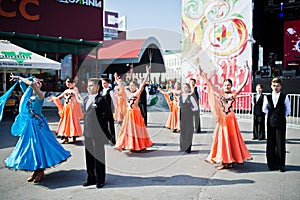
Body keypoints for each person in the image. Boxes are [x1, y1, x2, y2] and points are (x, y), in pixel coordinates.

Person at [0, 74, 71, 183]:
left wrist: (21, 78)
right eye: (36, 81)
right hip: (29, 126)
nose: (37, 83)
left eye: (39, 83)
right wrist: (17, 78)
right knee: (30, 148)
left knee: (39, 147)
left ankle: (40, 171)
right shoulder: (28, 95)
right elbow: (25, 85)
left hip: (38, 126)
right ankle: (35, 170)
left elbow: (31, 84)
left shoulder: (40, 95)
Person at [199, 63, 252, 169]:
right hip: (223, 120)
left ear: (231, 86)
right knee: (223, 140)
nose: (227, 86)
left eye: (228, 85)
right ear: (223, 86)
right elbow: (210, 84)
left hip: (231, 119)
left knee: (231, 140)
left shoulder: (234, 94)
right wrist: (202, 74)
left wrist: (247, 70)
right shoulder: (220, 93)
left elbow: (244, 83)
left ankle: (230, 160)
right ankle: (224, 160)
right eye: (225, 85)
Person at [114, 65, 154, 152]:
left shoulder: (137, 92)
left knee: (137, 130)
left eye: (133, 86)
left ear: (136, 87)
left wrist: (147, 73)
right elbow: (121, 86)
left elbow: (143, 83)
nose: (132, 87)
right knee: (127, 130)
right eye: (131, 85)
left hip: (135, 113)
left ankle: (138, 145)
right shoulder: (127, 92)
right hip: (128, 113)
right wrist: (117, 81)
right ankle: (127, 144)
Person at [83, 78, 112, 189]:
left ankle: (100, 179)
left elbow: (108, 116)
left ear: (97, 87)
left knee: (98, 156)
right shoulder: (86, 99)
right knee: (89, 156)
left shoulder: (101, 99)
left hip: (98, 133)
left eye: (91, 85)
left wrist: (107, 133)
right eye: (88, 85)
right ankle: (91, 177)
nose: (88, 87)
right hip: (87, 132)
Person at [262, 78, 291, 172]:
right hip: (270, 122)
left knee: (280, 143)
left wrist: (280, 116)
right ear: (271, 86)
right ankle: (271, 164)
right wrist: (272, 116)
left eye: (277, 86)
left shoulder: (284, 97)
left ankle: (281, 164)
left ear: (280, 86)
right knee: (270, 143)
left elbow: (288, 110)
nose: (276, 87)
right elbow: (264, 109)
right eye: (274, 86)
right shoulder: (267, 97)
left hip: (281, 123)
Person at [48, 78, 84, 144]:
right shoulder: (66, 90)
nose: (68, 85)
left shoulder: (75, 89)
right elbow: (60, 96)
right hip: (66, 108)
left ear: (73, 83)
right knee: (65, 122)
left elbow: (77, 96)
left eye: (69, 83)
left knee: (73, 122)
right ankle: (66, 137)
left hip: (72, 108)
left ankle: (74, 137)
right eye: (67, 83)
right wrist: (53, 99)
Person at [178, 83, 198, 153]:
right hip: (182, 117)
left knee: (189, 132)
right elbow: (179, 107)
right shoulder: (180, 97)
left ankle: (188, 148)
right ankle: (182, 147)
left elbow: (196, 107)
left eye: (186, 87)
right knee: (182, 133)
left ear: (189, 89)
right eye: (183, 87)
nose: (185, 89)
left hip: (189, 117)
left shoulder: (191, 97)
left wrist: (190, 110)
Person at [100, 78, 116, 145]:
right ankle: (106, 139)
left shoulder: (110, 91)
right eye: (102, 83)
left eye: (104, 83)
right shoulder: (101, 92)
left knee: (110, 125)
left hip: (109, 110)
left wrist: (115, 110)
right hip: (102, 111)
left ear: (108, 83)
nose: (103, 85)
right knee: (104, 125)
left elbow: (114, 101)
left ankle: (112, 140)